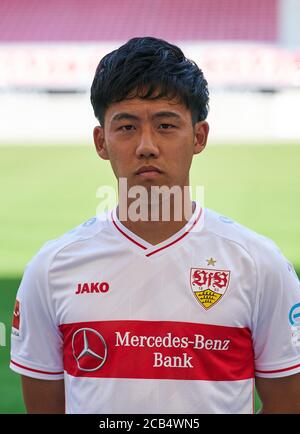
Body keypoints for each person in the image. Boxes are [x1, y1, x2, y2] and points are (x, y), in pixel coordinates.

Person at [10, 36, 300, 414]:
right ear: (101, 142)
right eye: (127, 127)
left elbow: (287, 404)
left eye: (166, 125)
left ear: (199, 137)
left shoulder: (260, 264)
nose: (146, 145)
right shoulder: (50, 270)